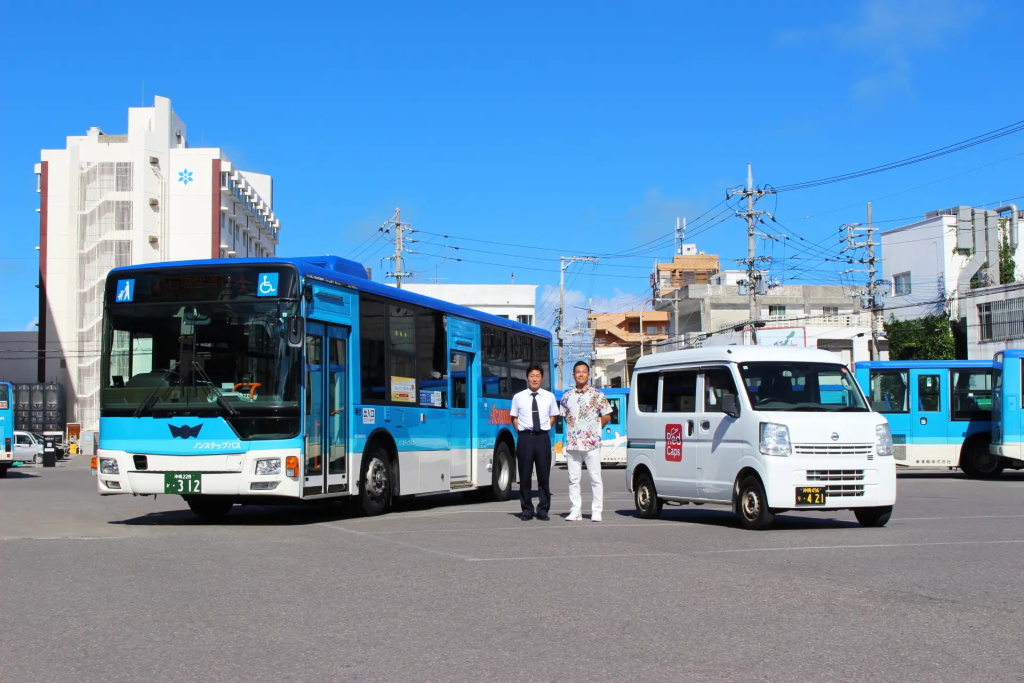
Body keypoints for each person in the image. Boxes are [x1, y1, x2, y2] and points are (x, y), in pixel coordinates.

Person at [559, 361, 612, 522]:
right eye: (578, 372)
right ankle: (575, 510)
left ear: (589, 375)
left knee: (595, 478)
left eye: (584, 372)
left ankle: (596, 510)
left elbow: (607, 415)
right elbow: (565, 416)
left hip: (591, 444)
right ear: (573, 375)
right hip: (573, 443)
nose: (581, 374)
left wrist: (595, 430)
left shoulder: (598, 395)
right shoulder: (566, 396)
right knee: (573, 479)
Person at [510, 363, 559, 521]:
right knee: (524, 476)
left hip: (542, 438)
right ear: (527, 378)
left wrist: (545, 428)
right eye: (532, 376)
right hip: (525, 438)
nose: (535, 379)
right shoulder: (518, 397)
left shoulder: (549, 396)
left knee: (543, 475)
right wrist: (522, 433)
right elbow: (514, 417)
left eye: (538, 376)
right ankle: (527, 510)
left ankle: (543, 510)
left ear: (542, 378)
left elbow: (553, 416)